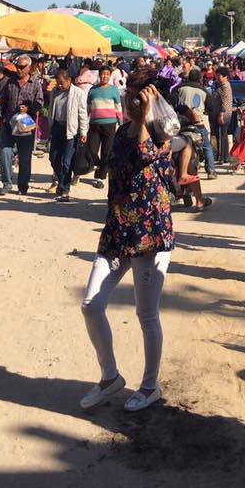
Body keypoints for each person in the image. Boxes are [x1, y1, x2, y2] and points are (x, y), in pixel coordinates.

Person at [80, 75, 174, 413]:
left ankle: (150, 386)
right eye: (129, 93)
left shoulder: (164, 134)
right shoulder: (121, 132)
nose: (130, 99)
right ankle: (110, 376)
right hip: (117, 231)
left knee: (146, 314)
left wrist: (148, 116)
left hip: (149, 234)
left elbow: (147, 155)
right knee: (91, 305)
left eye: (137, 95)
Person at [0, 54, 44, 197]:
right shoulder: (10, 82)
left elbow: (40, 102)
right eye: (17, 66)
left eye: (22, 67)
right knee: (5, 152)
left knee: (24, 158)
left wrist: (29, 108)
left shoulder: (35, 83)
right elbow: (3, 101)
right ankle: (6, 183)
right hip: (9, 123)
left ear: (29, 68)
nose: (19, 69)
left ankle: (23, 186)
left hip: (25, 126)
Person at [48, 68, 88, 201]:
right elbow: (51, 109)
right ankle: (61, 181)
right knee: (53, 158)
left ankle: (65, 190)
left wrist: (83, 132)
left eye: (62, 83)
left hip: (71, 130)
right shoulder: (54, 92)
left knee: (67, 162)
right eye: (57, 82)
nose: (59, 85)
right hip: (57, 128)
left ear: (69, 80)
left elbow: (83, 113)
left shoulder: (78, 93)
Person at [85, 64, 123, 190]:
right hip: (94, 125)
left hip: (110, 125)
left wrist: (121, 124)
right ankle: (99, 164)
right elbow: (87, 108)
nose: (105, 76)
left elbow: (118, 108)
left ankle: (100, 177)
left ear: (110, 76)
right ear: (99, 75)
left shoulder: (114, 90)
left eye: (107, 74)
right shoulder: (92, 90)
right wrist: (84, 123)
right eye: (103, 74)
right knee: (92, 150)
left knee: (106, 152)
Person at [174, 67, 216, 179]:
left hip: (181, 123)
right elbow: (211, 107)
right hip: (198, 122)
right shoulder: (204, 91)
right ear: (199, 79)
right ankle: (211, 171)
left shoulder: (179, 88)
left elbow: (172, 102)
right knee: (206, 146)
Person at [213, 66, 234, 164]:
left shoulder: (225, 87)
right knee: (224, 135)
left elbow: (225, 102)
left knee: (222, 136)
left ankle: (223, 157)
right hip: (225, 113)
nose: (217, 78)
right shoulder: (223, 85)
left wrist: (221, 114)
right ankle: (225, 156)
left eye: (219, 76)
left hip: (224, 114)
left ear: (225, 76)